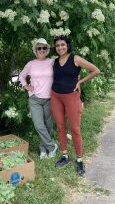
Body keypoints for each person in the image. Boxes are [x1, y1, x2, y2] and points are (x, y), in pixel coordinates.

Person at [50, 35, 100, 176]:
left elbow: (95, 70)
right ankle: (65, 156)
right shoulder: (54, 61)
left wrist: (80, 82)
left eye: (62, 44)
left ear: (67, 45)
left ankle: (79, 159)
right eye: (58, 45)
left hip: (71, 97)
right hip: (55, 96)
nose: (60, 47)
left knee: (74, 129)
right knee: (60, 127)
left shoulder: (75, 59)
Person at [19, 38, 58, 159]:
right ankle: (52, 146)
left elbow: (63, 69)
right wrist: (26, 85)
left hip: (49, 98)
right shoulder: (31, 64)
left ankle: (43, 150)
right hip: (35, 98)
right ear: (35, 50)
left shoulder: (52, 62)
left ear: (47, 49)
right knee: (38, 125)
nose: (42, 50)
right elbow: (21, 75)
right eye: (39, 48)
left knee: (48, 125)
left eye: (44, 48)